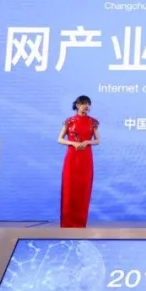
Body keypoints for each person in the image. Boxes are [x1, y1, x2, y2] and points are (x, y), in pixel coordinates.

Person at [58, 95, 99, 228]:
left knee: (83, 189)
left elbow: (97, 140)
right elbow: (60, 139)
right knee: (69, 188)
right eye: (83, 103)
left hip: (86, 157)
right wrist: (73, 143)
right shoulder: (69, 121)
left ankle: (80, 224)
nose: (86, 106)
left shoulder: (93, 122)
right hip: (72, 157)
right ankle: (67, 224)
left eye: (88, 104)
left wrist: (87, 142)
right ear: (77, 105)